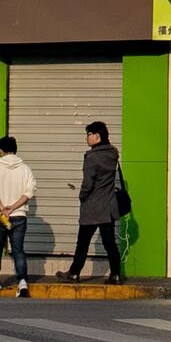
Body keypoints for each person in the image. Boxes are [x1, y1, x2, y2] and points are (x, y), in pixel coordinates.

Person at [69, 120, 127, 281]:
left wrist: (82, 195)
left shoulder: (92, 157)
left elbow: (88, 182)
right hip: (108, 206)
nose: (87, 138)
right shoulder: (112, 153)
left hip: (92, 207)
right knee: (110, 243)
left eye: (88, 135)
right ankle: (115, 274)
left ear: (97, 136)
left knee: (83, 243)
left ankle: (74, 273)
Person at [0, 134, 36, 294]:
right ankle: (22, 282)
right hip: (19, 215)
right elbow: (30, 191)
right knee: (18, 249)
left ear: (1, 150)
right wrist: (13, 207)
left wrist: (2, 208)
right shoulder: (25, 169)